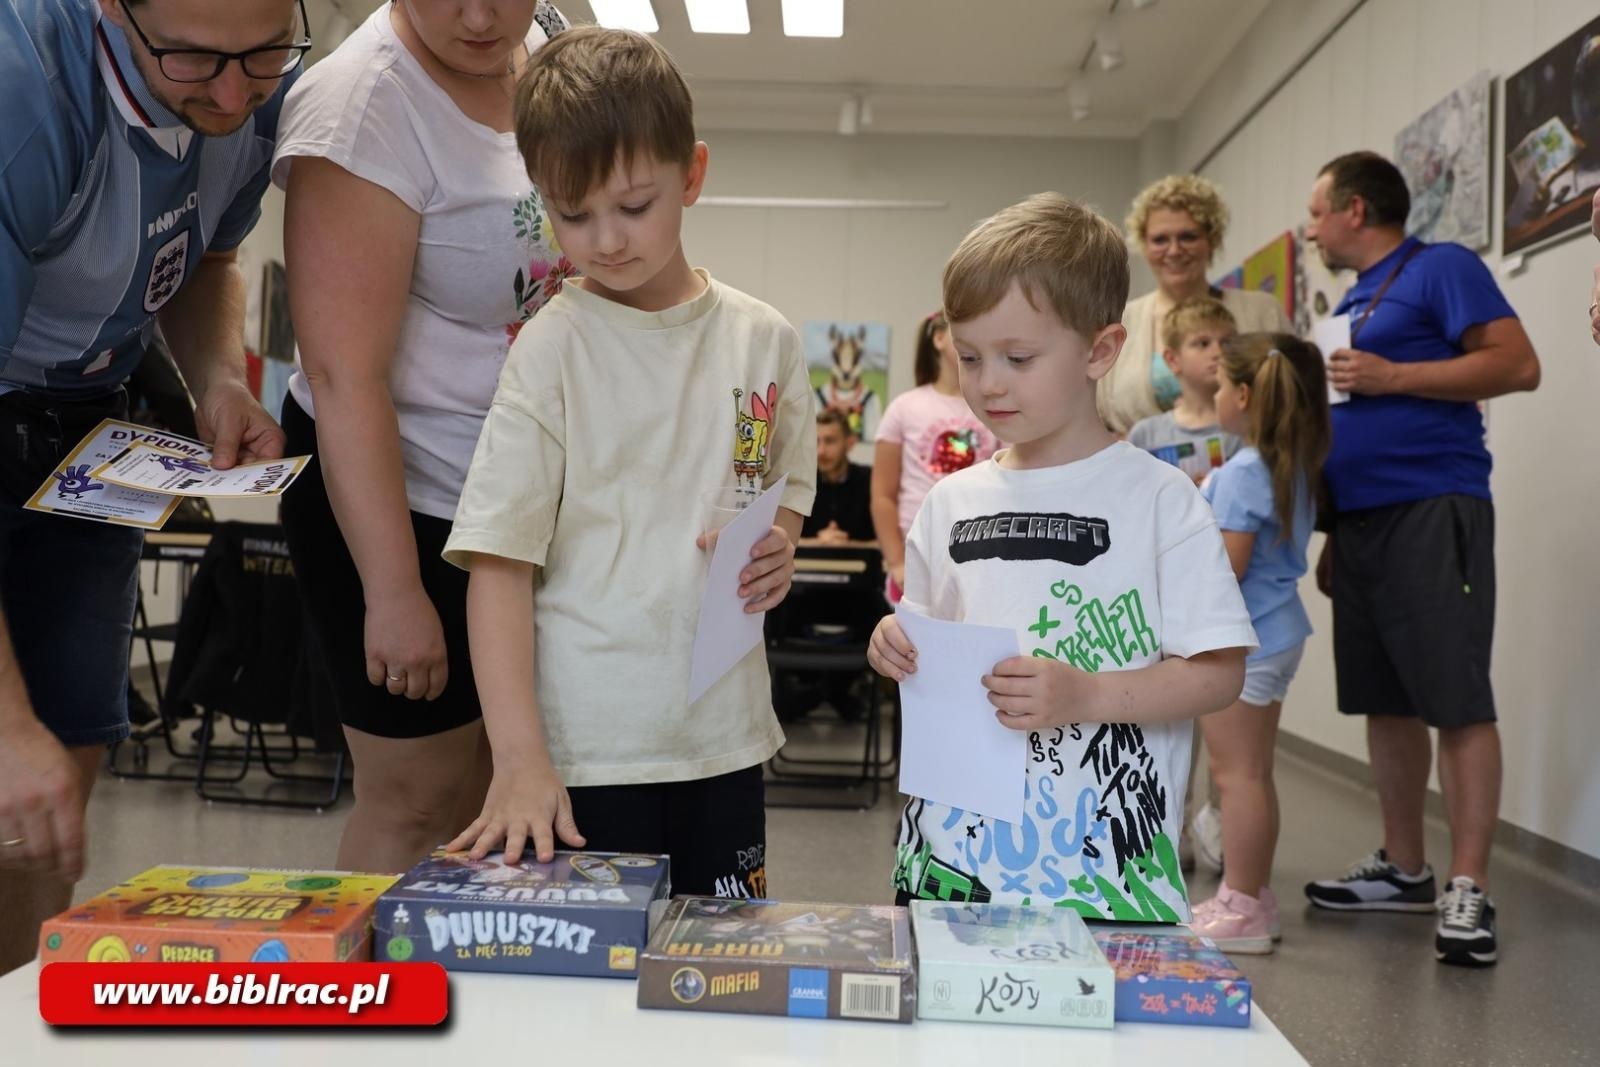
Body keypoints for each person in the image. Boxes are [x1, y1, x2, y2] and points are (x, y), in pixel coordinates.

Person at [441, 27, 815, 899]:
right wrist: (518, 757)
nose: (606, 239)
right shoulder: (551, 349)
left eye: (635, 205)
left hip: (723, 735)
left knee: (722, 974)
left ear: (692, 174)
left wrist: (780, 542)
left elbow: (784, 486)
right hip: (587, 753)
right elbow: (497, 562)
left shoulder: (765, 338)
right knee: (593, 1002)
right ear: (542, 200)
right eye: (574, 214)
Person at [0, 0, 302, 973]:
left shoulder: (255, 85)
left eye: (259, 54)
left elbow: (212, 256)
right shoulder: (28, 98)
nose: (230, 91)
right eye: (191, 59)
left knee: (57, 776)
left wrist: (220, 375)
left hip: (88, 434)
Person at [867, 193, 1255, 916]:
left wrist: (1089, 696)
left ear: (1101, 351)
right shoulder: (950, 503)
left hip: (1104, 877)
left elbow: (1221, 673)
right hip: (951, 863)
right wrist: (894, 643)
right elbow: (924, 639)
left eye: (1018, 357)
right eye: (970, 355)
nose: (988, 382)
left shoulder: (1162, 498)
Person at [272, 0, 571, 874]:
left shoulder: (547, 38)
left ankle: (474, 1002)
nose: (480, 19)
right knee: (414, 797)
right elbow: (342, 377)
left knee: (506, 786)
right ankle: (361, 1002)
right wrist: (393, 588)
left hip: (514, 498)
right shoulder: (362, 107)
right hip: (401, 496)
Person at [1302, 151, 1540, 968]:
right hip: (1363, 525)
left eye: (1318, 211)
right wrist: (1333, 528)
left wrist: (1394, 372)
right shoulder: (1354, 298)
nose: (1311, 227)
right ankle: (1404, 867)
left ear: (1357, 210)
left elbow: (1518, 364)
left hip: (1435, 508)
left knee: (1455, 696)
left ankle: (1469, 884)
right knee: (1387, 697)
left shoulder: (1441, 268)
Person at [1187, 333, 1330, 954]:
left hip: (1246, 644)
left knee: (1236, 775)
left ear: (1242, 395)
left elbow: (1228, 568)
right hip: (1277, 634)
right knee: (1256, 773)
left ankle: (1240, 905)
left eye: (1219, 385)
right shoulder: (1284, 462)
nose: (1215, 394)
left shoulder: (1244, 471)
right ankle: (1256, 897)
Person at [1100, 174, 1290, 435]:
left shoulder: (1263, 312)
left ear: (1212, 240)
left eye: (1188, 236)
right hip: (1141, 468)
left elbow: (1292, 397)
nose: (1175, 250)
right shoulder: (1121, 321)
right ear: (1143, 245)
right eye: (1160, 240)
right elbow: (1098, 416)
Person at [871, 312, 999, 601]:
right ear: (939, 339)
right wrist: (896, 562)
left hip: (979, 549)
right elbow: (882, 496)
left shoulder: (994, 408)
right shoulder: (905, 407)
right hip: (918, 550)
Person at [1127, 296, 1243, 484]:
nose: (1218, 353)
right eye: (1203, 343)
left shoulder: (1246, 427)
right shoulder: (1145, 435)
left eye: (1227, 343)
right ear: (1173, 360)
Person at [804, 408, 874, 543]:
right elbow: (785, 539)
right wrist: (819, 542)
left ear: (850, 443)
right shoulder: (802, 482)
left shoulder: (871, 480)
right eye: (816, 442)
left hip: (862, 563)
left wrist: (846, 545)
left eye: (830, 441)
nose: (821, 451)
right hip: (808, 564)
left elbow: (889, 544)